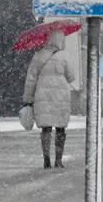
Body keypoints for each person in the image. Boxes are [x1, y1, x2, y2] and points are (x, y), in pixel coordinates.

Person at [22, 29, 75, 169]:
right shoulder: (65, 56)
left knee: (46, 128)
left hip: (42, 95)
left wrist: (27, 99)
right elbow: (71, 77)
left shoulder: (38, 56)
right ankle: (58, 160)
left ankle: (46, 159)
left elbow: (30, 80)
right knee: (60, 128)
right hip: (61, 96)